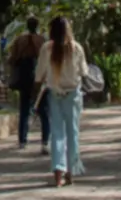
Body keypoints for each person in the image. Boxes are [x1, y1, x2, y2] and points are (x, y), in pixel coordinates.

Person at [35, 16, 87, 187]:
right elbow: (84, 72)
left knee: (57, 133)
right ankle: (71, 172)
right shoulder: (76, 48)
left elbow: (39, 74)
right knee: (72, 132)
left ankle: (58, 174)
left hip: (54, 93)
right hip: (72, 94)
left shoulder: (46, 48)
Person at [8, 17, 48, 151]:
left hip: (24, 75)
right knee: (43, 110)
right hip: (39, 74)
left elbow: (12, 59)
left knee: (24, 109)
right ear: (37, 26)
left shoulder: (19, 40)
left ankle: (22, 140)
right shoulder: (42, 40)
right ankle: (45, 140)